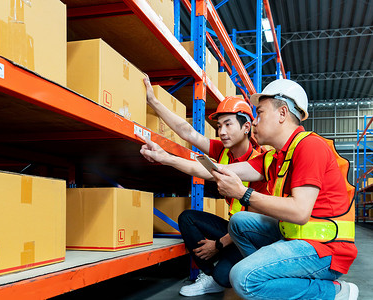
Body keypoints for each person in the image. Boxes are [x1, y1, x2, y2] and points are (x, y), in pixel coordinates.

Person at [208, 79, 358, 299]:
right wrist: (165, 157)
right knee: (238, 222)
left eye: (259, 113)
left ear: (282, 113)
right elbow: (219, 169)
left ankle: (334, 292)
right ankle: (273, 283)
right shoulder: (276, 156)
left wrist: (243, 194)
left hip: (326, 250)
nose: (255, 122)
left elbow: (299, 212)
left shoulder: (310, 147)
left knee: (242, 278)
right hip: (297, 239)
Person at [140, 75, 267, 297]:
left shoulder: (259, 162)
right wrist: (153, 101)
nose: (222, 132)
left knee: (226, 274)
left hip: (251, 236)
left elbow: (205, 171)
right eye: (219, 126)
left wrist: (217, 245)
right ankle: (210, 275)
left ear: (246, 126)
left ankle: (221, 272)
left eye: (228, 124)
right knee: (188, 218)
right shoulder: (223, 151)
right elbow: (188, 133)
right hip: (232, 228)